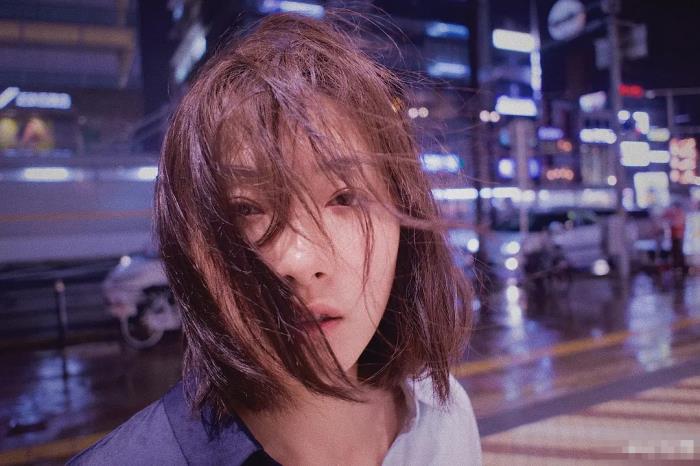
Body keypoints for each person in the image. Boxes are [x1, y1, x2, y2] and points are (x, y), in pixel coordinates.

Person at [69, 12, 480, 466]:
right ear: (192, 253)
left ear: (403, 220)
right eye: (245, 210)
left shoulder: (444, 420)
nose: (300, 261)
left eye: (344, 197)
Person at [663, 201, 687, 275]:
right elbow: (664, 216)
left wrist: (672, 223)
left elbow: (678, 224)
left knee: (679, 252)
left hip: (679, 236)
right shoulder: (673, 213)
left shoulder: (680, 214)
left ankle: (681, 268)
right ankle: (676, 267)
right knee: (674, 252)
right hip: (674, 236)